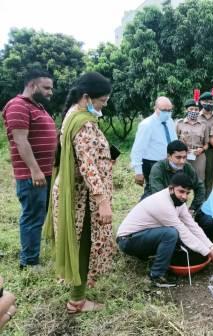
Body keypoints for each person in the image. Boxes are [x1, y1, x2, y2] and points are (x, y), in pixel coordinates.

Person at [44, 72, 115, 313]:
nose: (104, 105)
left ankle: (80, 290)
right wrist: (102, 200)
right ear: (87, 97)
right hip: (82, 199)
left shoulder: (74, 116)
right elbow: (87, 164)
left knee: (80, 242)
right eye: (102, 101)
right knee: (83, 243)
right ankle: (77, 301)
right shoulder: (83, 122)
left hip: (78, 193)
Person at [116, 173, 213, 287]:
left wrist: (211, 246)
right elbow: (183, 232)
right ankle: (156, 275)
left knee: (174, 234)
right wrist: (207, 252)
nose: (184, 196)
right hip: (127, 241)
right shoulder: (162, 203)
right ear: (171, 188)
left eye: (187, 193)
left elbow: (192, 225)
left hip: (142, 235)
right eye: (181, 191)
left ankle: (151, 257)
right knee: (171, 234)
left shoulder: (178, 201)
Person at [2, 69, 56, 269]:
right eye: (46, 88)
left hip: (45, 172)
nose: (51, 92)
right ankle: (29, 262)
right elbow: (20, 140)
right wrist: (35, 170)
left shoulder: (38, 106)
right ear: (32, 85)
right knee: (33, 217)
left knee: (38, 215)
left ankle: (32, 255)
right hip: (33, 175)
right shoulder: (18, 106)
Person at [131, 96, 177, 197]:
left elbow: (174, 140)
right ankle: (141, 211)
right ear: (155, 108)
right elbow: (137, 149)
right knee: (153, 191)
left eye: (170, 110)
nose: (167, 113)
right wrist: (138, 172)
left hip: (169, 162)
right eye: (164, 110)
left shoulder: (170, 121)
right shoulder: (147, 124)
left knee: (167, 190)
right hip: (152, 164)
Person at [147, 140, 205, 213]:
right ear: (169, 156)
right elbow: (158, 194)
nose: (182, 161)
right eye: (178, 157)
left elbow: (200, 187)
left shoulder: (187, 167)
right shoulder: (158, 168)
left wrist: (192, 208)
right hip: (155, 200)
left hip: (178, 203)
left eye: (184, 157)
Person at [176, 91, 209, 181]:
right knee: (182, 179)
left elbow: (206, 144)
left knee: (199, 180)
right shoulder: (179, 123)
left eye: (196, 109)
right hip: (183, 155)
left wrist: (201, 149)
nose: (193, 111)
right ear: (186, 110)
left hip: (199, 156)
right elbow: (174, 141)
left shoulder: (203, 125)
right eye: (191, 109)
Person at [199, 84, 213, 197]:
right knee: (198, 176)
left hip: (212, 151)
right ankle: (198, 201)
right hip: (199, 150)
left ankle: (207, 201)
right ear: (201, 102)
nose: (209, 104)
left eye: (211, 102)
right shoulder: (196, 117)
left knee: (209, 176)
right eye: (206, 101)